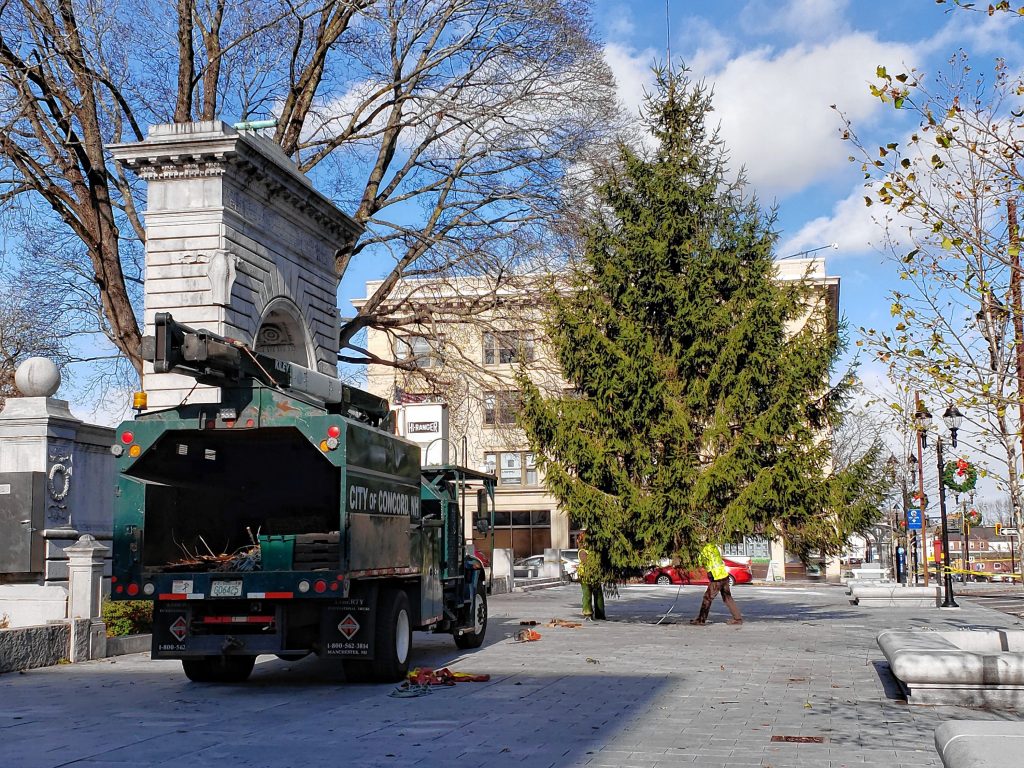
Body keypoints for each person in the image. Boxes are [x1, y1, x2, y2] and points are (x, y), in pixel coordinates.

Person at [691, 542, 742, 625]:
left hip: (716, 577)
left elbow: (700, 563)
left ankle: (701, 619)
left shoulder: (704, 550)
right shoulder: (713, 546)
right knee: (727, 597)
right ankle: (738, 619)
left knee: (707, 598)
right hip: (724, 575)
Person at [577, 532, 605, 620]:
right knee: (587, 594)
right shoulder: (582, 551)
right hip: (585, 576)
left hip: (594, 576)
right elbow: (586, 562)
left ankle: (600, 613)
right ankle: (587, 613)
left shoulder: (593, 550)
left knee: (598, 595)